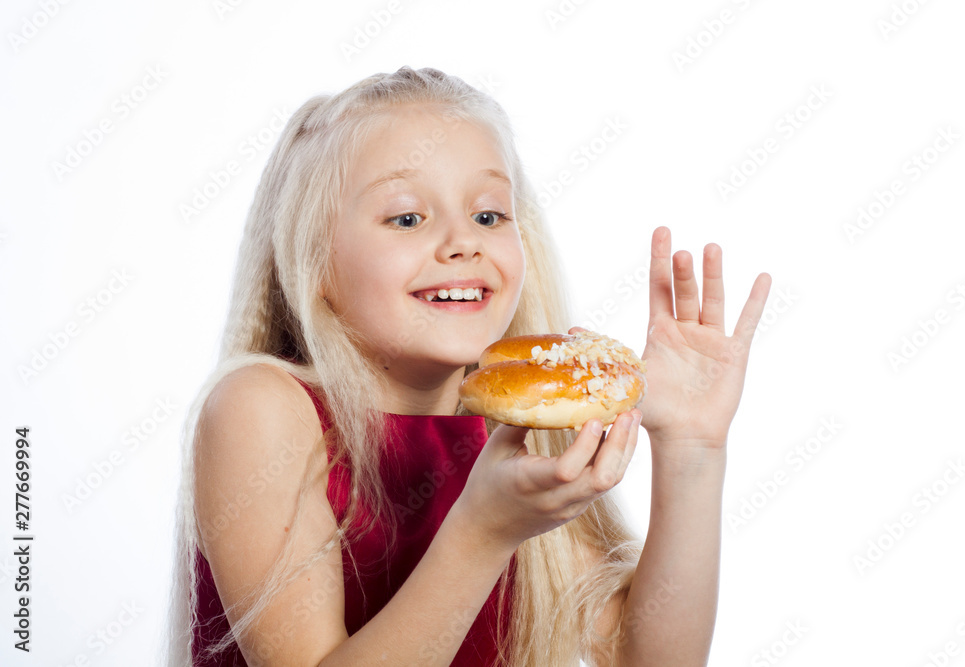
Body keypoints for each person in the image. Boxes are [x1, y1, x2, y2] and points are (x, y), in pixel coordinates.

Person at [164, 66, 771, 667]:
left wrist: (694, 446)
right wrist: (484, 531)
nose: (463, 242)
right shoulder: (261, 408)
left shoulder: (512, 426)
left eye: (488, 215)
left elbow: (647, 659)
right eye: (406, 217)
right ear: (314, 261)